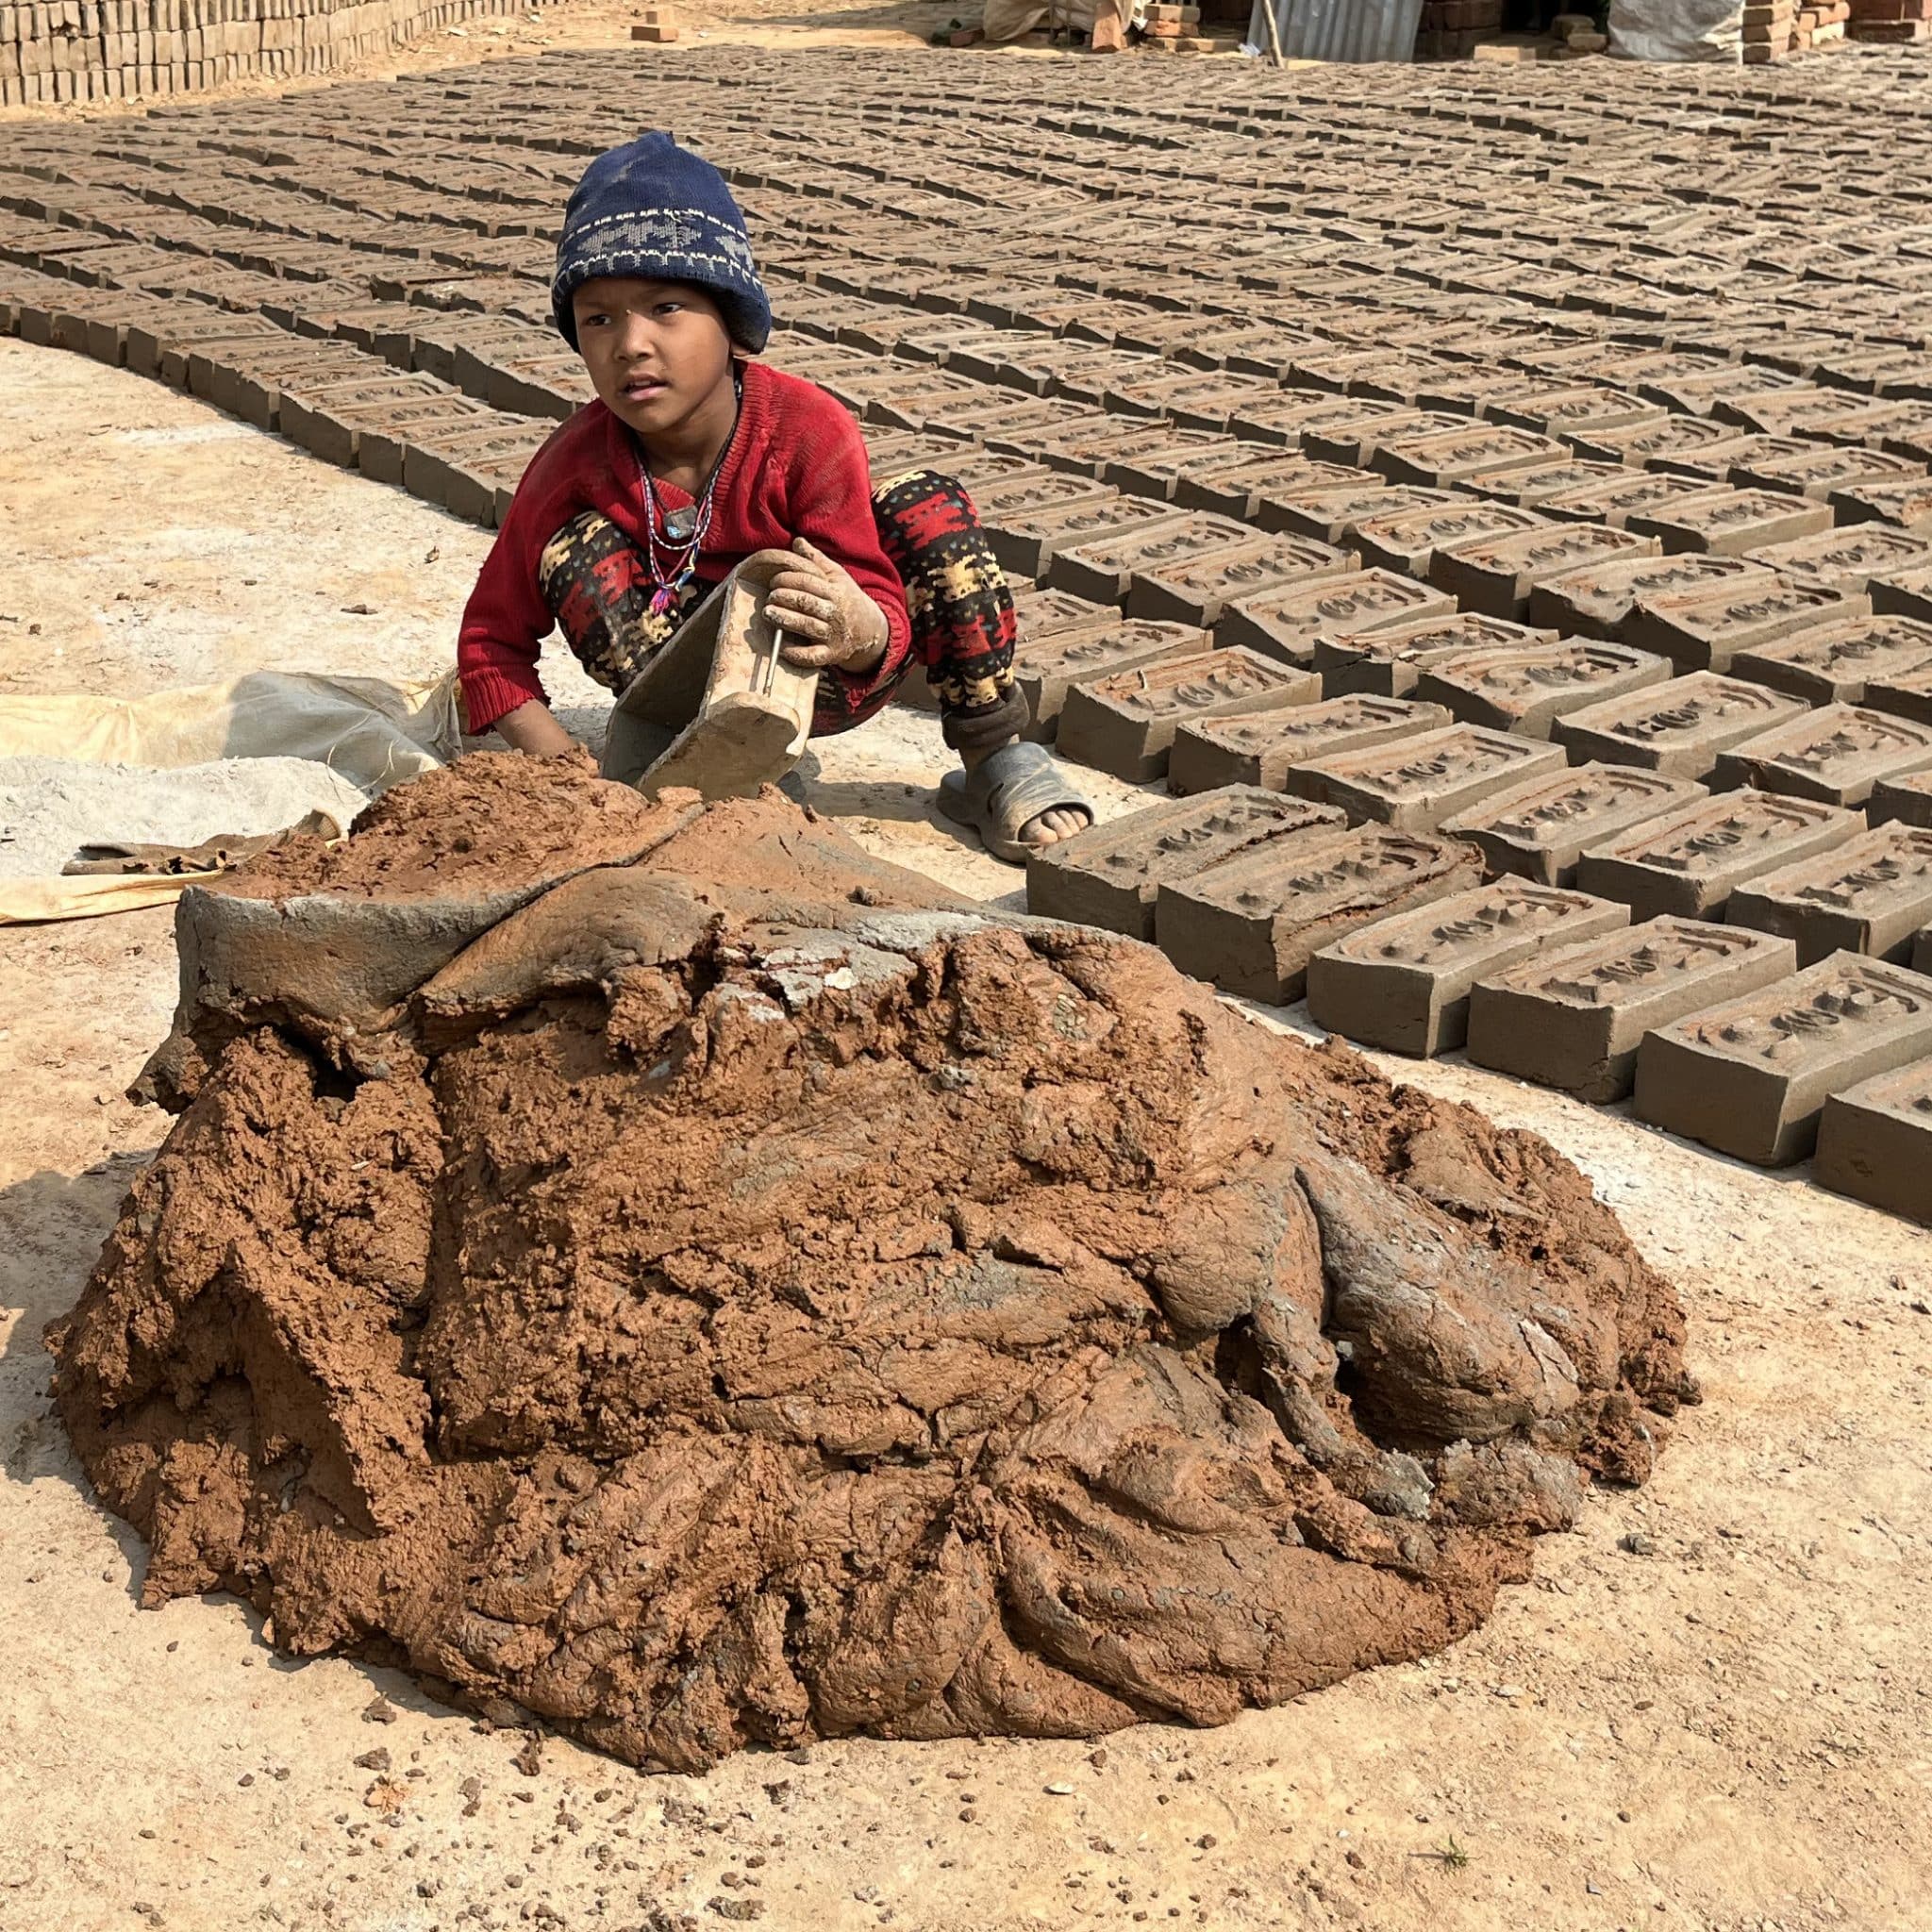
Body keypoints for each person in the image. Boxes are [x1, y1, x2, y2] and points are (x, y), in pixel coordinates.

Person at [456, 132, 1091, 861]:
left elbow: (879, 608)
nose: (629, 344)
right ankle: (722, 772)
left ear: (731, 326)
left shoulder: (805, 427)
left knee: (928, 507)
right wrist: (566, 775)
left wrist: (857, 628)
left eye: (666, 307)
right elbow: (487, 647)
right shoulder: (571, 466)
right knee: (576, 550)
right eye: (598, 318)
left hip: (826, 668)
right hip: (682, 708)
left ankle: (995, 756)